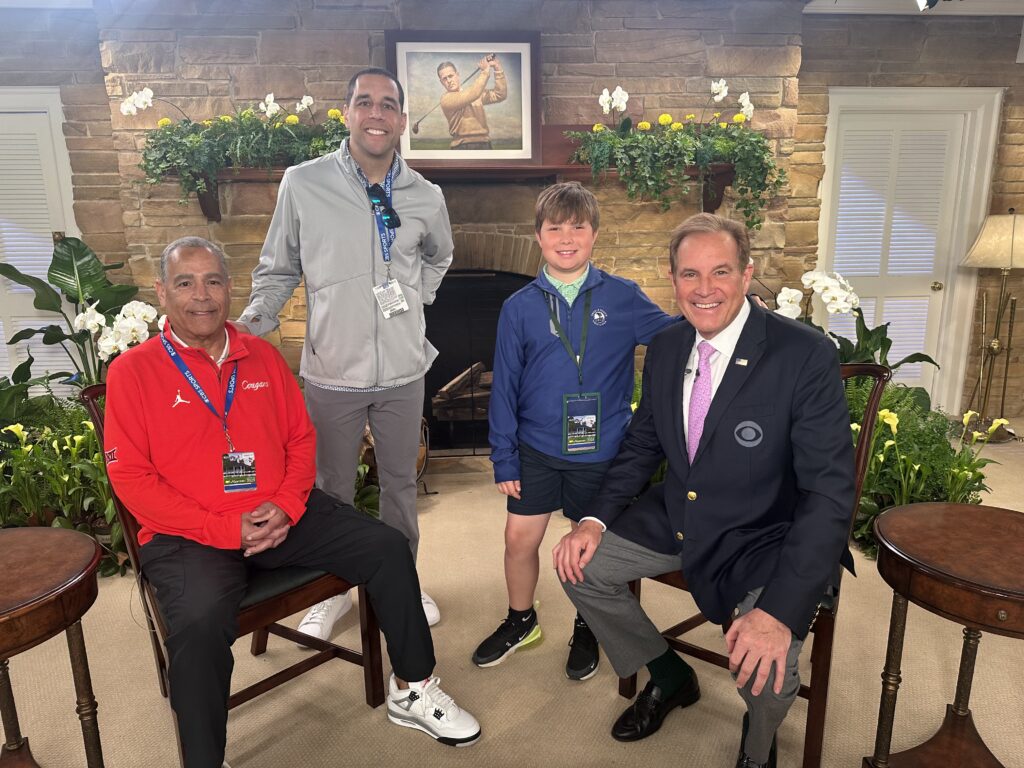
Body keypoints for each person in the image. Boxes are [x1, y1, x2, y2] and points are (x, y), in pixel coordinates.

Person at [103, 238, 480, 767]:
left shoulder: (261, 356)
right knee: (199, 620)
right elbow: (132, 478)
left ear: (230, 289)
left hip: (280, 514)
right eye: (185, 283)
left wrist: (284, 504)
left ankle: (412, 688)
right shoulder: (132, 371)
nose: (201, 295)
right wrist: (225, 529)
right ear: (162, 293)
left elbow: (301, 440)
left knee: (387, 547)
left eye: (213, 281)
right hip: (189, 534)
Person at [552, 213, 855, 768]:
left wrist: (779, 612)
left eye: (721, 271)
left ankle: (757, 751)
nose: (704, 288)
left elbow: (829, 495)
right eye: (690, 274)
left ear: (746, 274)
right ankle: (669, 674)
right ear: (673, 279)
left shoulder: (804, 353)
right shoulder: (668, 345)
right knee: (579, 566)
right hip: (680, 512)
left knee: (767, 667)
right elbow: (643, 443)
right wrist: (593, 520)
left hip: (767, 530)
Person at [237, 67, 452, 639]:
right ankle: (331, 590)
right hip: (332, 372)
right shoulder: (303, 184)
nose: (376, 113)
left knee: (400, 486)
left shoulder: (426, 196)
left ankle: (401, 581)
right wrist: (248, 328)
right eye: (365, 102)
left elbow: (440, 257)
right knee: (330, 491)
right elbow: (277, 270)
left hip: (404, 370)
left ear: (402, 120)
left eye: (388, 104)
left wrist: (415, 298)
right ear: (349, 113)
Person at [477, 181, 678, 681]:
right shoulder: (519, 306)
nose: (566, 238)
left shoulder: (623, 296)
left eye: (578, 227)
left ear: (594, 234)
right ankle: (521, 620)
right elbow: (505, 385)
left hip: (601, 450)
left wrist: (728, 315)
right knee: (518, 538)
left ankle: (588, 624)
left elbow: (677, 336)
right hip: (536, 448)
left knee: (584, 546)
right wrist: (503, 455)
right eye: (555, 229)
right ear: (538, 236)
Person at [437, 55, 507, 150]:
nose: (449, 81)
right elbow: (473, 93)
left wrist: (497, 68)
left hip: (485, 144)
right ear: (441, 82)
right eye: (444, 79)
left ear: (457, 75)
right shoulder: (445, 99)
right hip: (461, 146)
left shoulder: (472, 92)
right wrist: (485, 71)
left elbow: (500, 94)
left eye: (450, 76)